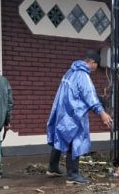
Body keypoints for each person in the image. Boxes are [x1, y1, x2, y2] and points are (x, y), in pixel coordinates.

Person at [46, 51, 112, 185]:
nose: (95, 69)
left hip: (62, 111)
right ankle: (73, 175)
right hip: (74, 113)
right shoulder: (83, 75)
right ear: (92, 62)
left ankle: (52, 168)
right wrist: (102, 113)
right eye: (96, 65)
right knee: (74, 141)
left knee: (61, 137)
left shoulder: (70, 72)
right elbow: (89, 95)